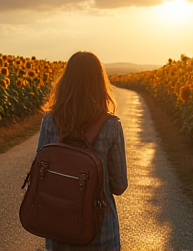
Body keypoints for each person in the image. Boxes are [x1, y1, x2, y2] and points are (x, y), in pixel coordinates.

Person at [36, 51, 128, 251]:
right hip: (100, 230)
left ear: (65, 82)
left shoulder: (50, 121)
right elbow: (119, 185)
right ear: (100, 83)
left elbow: (40, 174)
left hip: (57, 228)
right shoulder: (111, 125)